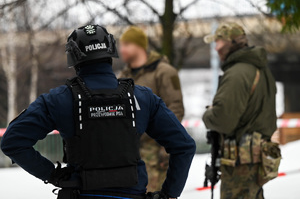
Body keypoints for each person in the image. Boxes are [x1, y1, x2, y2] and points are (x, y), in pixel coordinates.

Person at [1, 25, 196, 199]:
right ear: (111, 52)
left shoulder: (58, 99)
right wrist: (169, 194)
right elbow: (184, 145)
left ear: (73, 57)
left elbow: (13, 141)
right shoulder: (143, 98)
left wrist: (52, 174)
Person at [202, 23, 277, 199]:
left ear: (231, 43)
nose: (216, 48)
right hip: (254, 159)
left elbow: (223, 120)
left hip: (240, 164)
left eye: (218, 42)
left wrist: (207, 115)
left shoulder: (237, 73)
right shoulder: (259, 69)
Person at [118, 26, 184, 192]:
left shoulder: (164, 72)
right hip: (130, 153)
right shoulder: (124, 76)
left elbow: (175, 108)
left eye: (126, 44)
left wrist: (166, 147)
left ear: (139, 46)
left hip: (154, 152)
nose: (121, 49)